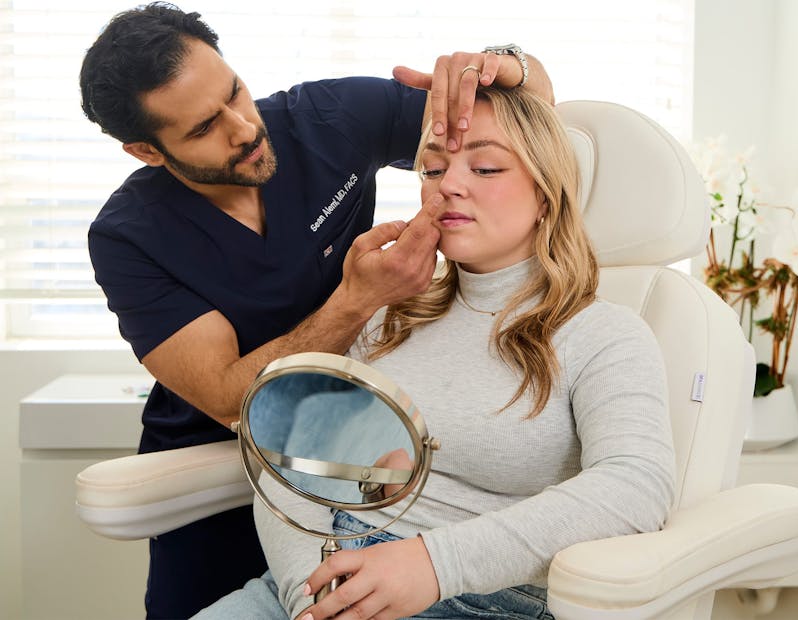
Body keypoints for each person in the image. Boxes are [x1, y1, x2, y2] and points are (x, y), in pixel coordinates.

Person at [79, 2, 554, 617]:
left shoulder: (328, 118)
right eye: (202, 129)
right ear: (146, 150)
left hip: (357, 449)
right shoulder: (128, 237)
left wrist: (507, 66)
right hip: (220, 459)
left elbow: (525, 127)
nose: (243, 127)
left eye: (235, 93)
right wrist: (359, 299)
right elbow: (228, 395)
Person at [195, 86, 676, 620]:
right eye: (431, 169)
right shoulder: (386, 316)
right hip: (320, 581)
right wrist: (312, 600)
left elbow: (636, 488)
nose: (448, 185)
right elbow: (289, 453)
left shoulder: (604, 335)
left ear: (546, 196)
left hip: (476, 596)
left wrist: (433, 565)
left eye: (487, 169)